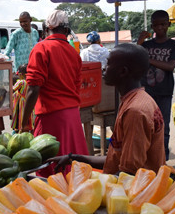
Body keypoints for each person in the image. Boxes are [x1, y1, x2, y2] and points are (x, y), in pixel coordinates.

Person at [48, 43, 166, 175]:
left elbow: (127, 174)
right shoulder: (137, 99)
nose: (104, 69)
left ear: (123, 71)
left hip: (137, 191)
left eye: (108, 64)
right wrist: (73, 158)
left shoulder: (135, 111)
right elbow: (115, 160)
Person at [21, 10, 89, 177]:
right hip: (72, 116)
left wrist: (24, 123)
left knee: (51, 173)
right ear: (66, 30)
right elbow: (76, 85)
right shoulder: (74, 53)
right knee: (74, 171)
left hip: (51, 119)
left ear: (46, 30)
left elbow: (34, 87)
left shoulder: (41, 48)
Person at [136, 10, 175, 161]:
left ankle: (163, 160)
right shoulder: (146, 45)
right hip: (146, 92)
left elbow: (170, 66)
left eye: (163, 24)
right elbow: (133, 58)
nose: (160, 27)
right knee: (145, 126)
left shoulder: (174, 45)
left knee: (163, 128)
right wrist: (139, 42)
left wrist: (148, 59)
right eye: (156, 25)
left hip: (164, 92)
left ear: (168, 24)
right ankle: (146, 159)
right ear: (152, 26)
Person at [12, 64, 34, 132]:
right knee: (28, 117)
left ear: (21, 74)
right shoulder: (30, 81)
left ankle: (20, 129)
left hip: (21, 103)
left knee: (20, 117)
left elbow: (12, 90)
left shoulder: (20, 82)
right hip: (29, 101)